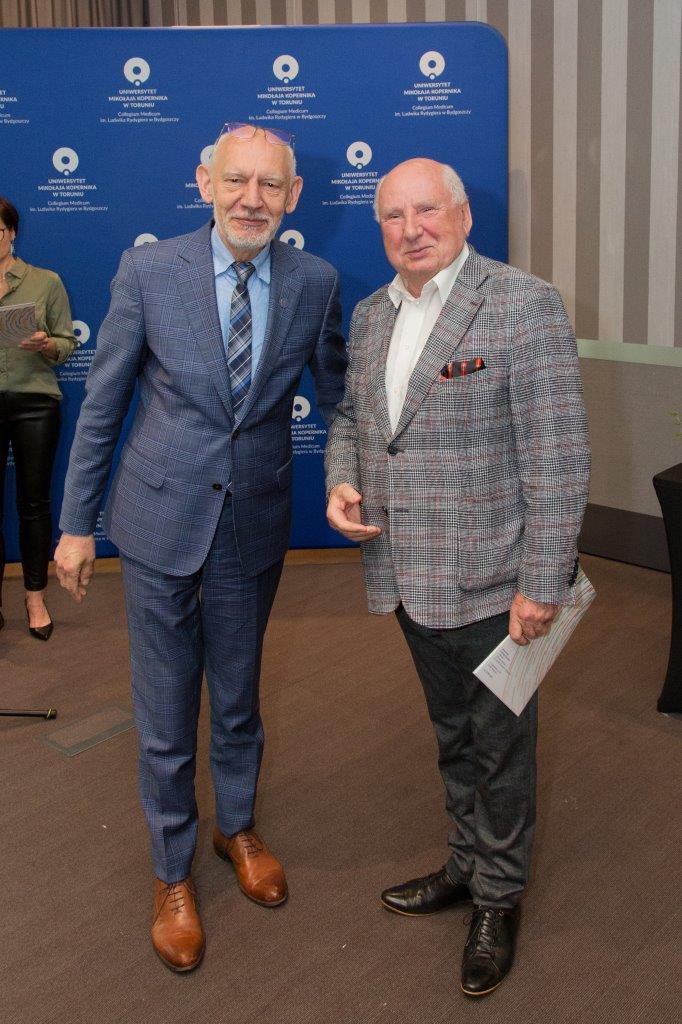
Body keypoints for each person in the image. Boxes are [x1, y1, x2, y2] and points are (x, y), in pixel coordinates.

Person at [54, 123, 346, 973]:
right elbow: (103, 403)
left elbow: (339, 400)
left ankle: (237, 828)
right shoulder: (149, 271)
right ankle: (171, 870)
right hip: (156, 523)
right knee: (165, 710)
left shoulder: (316, 282)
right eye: (236, 181)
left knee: (240, 698)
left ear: (293, 196)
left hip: (254, 524)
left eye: (270, 185)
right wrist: (76, 523)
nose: (252, 199)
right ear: (205, 182)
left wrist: (351, 477)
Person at [325, 158, 590, 997]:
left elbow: (557, 453)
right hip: (407, 576)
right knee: (453, 735)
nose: (412, 230)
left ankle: (498, 899)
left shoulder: (522, 304)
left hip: (496, 580)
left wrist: (543, 581)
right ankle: (467, 864)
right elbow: (352, 416)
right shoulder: (371, 314)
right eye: (394, 216)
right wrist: (341, 478)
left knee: (500, 747)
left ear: (464, 216)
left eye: (428, 210)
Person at [0, 196, 76, 641]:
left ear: (12, 233)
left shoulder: (45, 282)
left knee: (33, 505)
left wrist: (46, 344)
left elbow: (66, 344)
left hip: (35, 403)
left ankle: (34, 597)